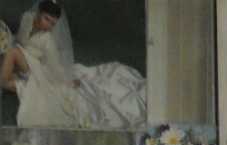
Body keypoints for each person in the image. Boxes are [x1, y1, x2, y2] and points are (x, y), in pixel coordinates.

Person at [0, 1, 146, 129]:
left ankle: (4, 79)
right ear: (38, 13)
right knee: (13, 57)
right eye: (46, 19)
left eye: (52, 23)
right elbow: (20, 38)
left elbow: (55, 66)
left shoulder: (47, 39)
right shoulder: (27, 18)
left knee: (14, 53)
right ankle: (6, 79)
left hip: (36, 67)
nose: (48, 25)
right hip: (23, 58)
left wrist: (67, 80)